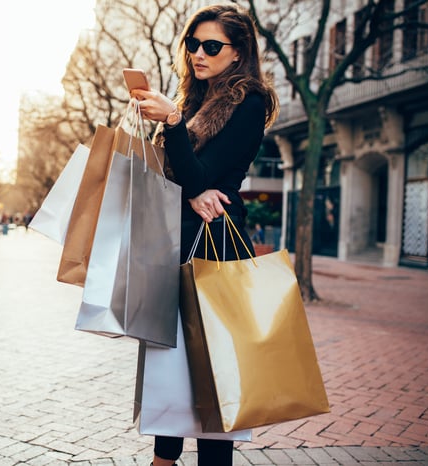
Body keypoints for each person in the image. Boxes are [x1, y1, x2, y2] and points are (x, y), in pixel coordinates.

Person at [131, 3, 279, 465]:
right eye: (193, 44)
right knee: (171, 369)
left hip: (216, 248)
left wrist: (172, 124)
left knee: (215, 375)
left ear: (238, 54)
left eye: (212, 46)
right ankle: (163, 459)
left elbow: (206, 177)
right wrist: (170, 126)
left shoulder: (250, 101)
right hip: (176, 244)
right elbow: (185, 184)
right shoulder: (192, 99)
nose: (199, 53)